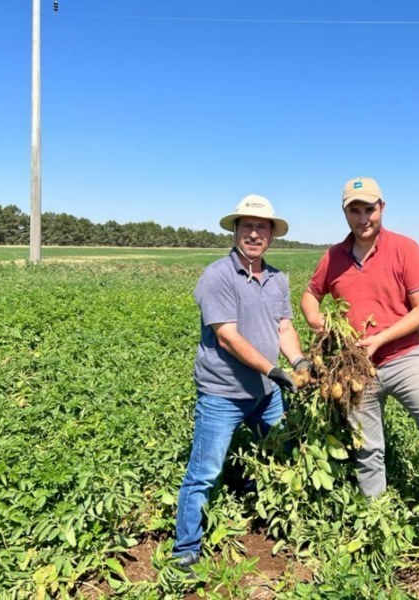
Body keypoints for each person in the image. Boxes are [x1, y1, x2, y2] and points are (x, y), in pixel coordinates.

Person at [300, 177, 419, 574]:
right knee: (368, 449)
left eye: (369, 208)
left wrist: (379, 338)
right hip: (355, 367)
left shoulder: (405, 248)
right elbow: (310, 294)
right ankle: (378, 524)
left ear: (382, 208)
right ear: (345, 213)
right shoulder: (333, 256)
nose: (363, 216)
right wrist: (321, 326)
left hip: (406, 357)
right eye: (355, 209)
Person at [172, 194, 309, 573]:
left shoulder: (279, 278)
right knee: (205, 470)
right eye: (246, 226)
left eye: (261, 227)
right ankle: (186, 547)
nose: (253, 233)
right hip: (223, 394)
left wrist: (298, 362)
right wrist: (273, 370)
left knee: (276, 455)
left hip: (266, 394)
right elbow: (227, 336)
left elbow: (284, 327)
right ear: (235, 231)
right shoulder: (217, 276)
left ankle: (260, 509)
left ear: (271, 235)